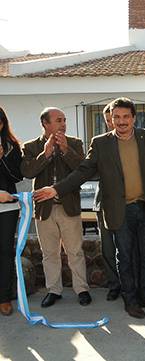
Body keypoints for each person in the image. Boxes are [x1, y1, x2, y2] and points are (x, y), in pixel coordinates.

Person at [34, 98, 145, 319]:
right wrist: (56, 189)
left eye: (126, 116)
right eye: (117, 117)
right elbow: (83, 172)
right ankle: (130, 301)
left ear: (134, 117)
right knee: (124, 257)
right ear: (111, 119)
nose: (121, 121)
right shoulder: (101, 143)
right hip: (119, 210)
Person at [21, 107, 91, 308]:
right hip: (45, 209)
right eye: (58, 120)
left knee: (75, 251)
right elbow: (27, 172)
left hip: (68, 205)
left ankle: (82, 289)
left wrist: (67, 150)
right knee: (49, 253)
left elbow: (83, 170)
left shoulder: (75, 143)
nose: (63, 123)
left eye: (64, 120)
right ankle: (54, 290)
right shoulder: (31, 146)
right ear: (45, 123)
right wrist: (46, 153)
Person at [93, 103, 121, 301]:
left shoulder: (137, 139)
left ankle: (131, 284)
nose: (113, 123)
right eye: (109, 120)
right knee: (108, 248)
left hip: (129, 204)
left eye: (116, 118)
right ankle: (114, 284)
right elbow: (91, 170)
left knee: (127, 248)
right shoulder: (101, 143)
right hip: (104, 203)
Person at [0, 107, 23, 316]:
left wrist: (2, 159)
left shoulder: (11, 147)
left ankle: (4, 298)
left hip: (7, 208)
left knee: (5, 252)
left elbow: (17, 177)